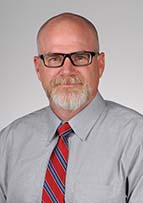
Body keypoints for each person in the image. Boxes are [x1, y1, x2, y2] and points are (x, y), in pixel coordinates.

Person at [0, 12, 143, 203]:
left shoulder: (136, 140)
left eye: (81, 57)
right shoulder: (9, 142)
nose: (67, 70)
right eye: (54, 58)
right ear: (38, 68)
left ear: (100, 65)